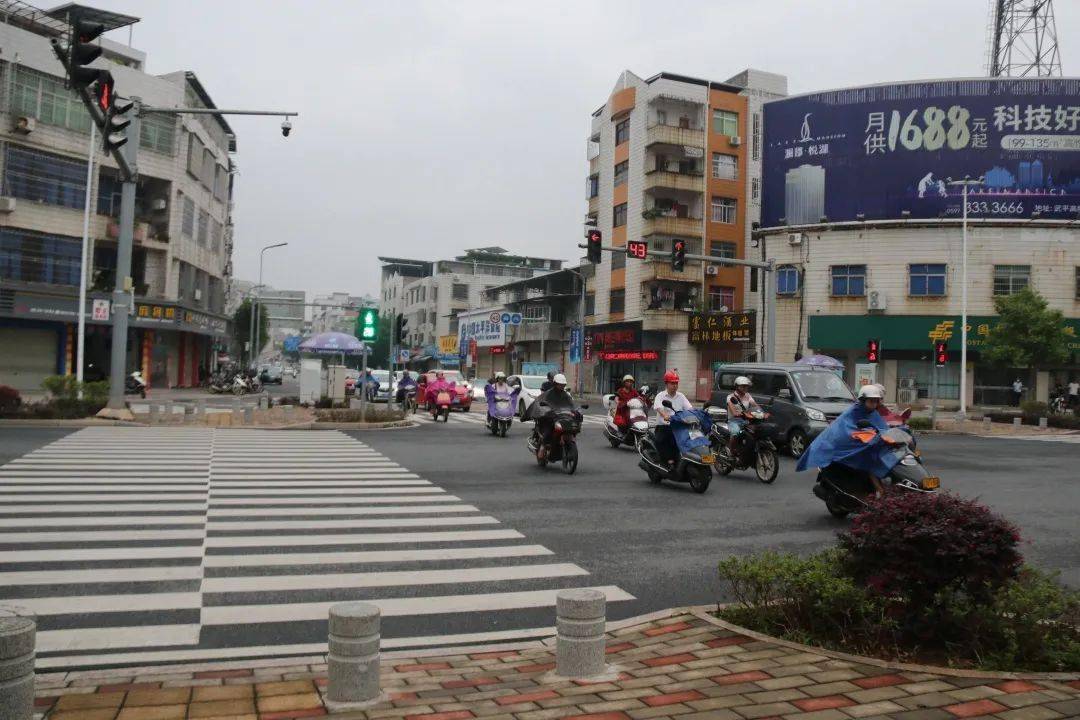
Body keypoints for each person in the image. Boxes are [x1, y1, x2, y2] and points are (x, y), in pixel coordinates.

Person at [797, 384, 889, 498]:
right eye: (871, 401)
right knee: (868, 460)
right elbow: (846, 429)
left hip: (865, 442)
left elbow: (882, 427)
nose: (874, 404)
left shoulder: (873, 413)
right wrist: (862, 436)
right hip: (842, 444)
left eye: (876, 401)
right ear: (863, 400)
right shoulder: (853, 411)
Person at [653, 370, 694, 465]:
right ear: (666, 383)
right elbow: (658, 407)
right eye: (672, 383)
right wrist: (665, 415)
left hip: (678, 426)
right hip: (664, 426)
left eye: (676, 383)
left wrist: (695, 414)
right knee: (662, 441)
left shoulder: (681, 396)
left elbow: (689, 408)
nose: (675, 385)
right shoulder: (660, 395)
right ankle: (666, 462)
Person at [533, 373, 575, 460]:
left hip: (561, 416)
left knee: (572, 426)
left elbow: (570, 405)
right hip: (551, 417)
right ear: (555, 384)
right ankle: (543, 446)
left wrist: (574, 411)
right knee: (549, 428)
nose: (562, 386)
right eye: (560, 384)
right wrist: (547, 409)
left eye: (563, 385)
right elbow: (543, 403)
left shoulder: (566, 395)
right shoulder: (549, 394)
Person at [725, 376, 759, 454]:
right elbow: (732, 410)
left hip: (746, 420)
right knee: (736, 433)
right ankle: (731, 451)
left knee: (756, 431)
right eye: (743, 386)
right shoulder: (730, 397)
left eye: (746, 386)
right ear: (737, 386)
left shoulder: (748, 396)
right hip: (734, 421)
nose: (745, 388)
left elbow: (754, 405)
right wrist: (736, 413)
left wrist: (760, 412)